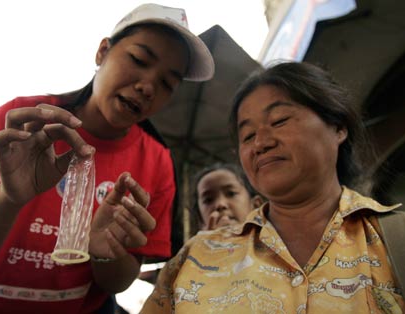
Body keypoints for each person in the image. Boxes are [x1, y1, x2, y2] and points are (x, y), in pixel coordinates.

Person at [0, 3, 214, 313]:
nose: (147, 86)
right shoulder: (20, 124)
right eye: (139, 59)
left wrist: (106, 253)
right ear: (102, 51)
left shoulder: (157, 163)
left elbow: (119, 281)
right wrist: (8, 198)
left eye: (167, 84)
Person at [140, 61, 405, 313]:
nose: (260, 144)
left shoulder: (395, 238)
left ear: (338, 127)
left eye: (279, 120)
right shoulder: (195, 256)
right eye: (248, 135)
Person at [189, 162, 263, 235]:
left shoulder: (271, 243)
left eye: (231, 193)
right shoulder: (193, 246)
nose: (220, 204)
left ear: (256, 205)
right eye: (208, 200)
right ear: (200, 219)